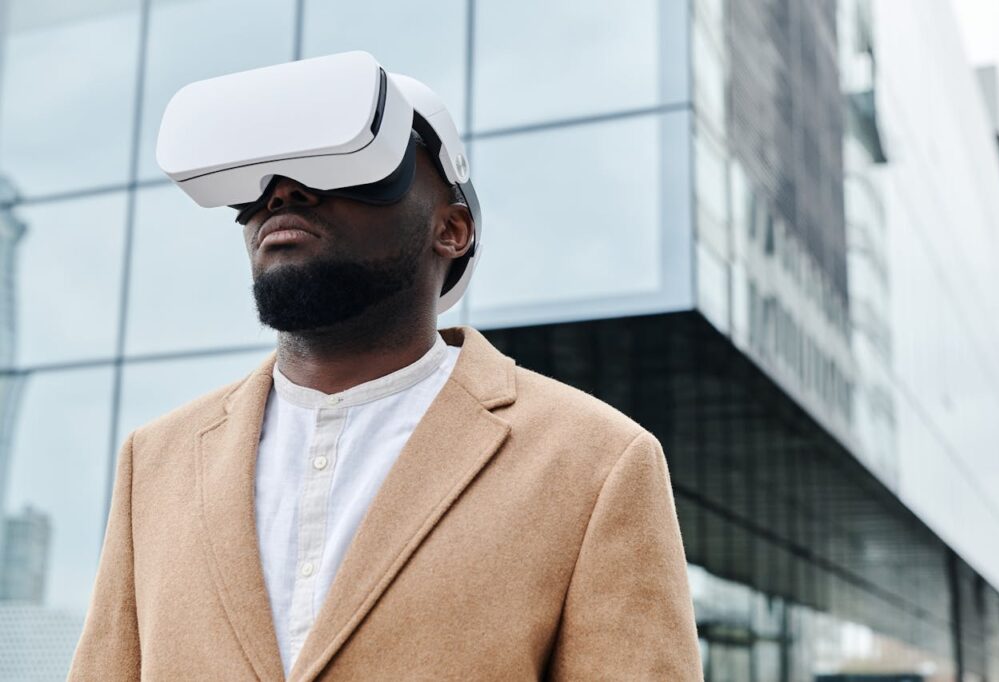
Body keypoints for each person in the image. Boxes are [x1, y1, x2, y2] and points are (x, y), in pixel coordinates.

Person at [69, 132, 702, 680]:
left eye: (346, 167)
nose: (283, 192)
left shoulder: (598, 461)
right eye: (262, 184)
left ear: (451, 230)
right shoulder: (154, 459)